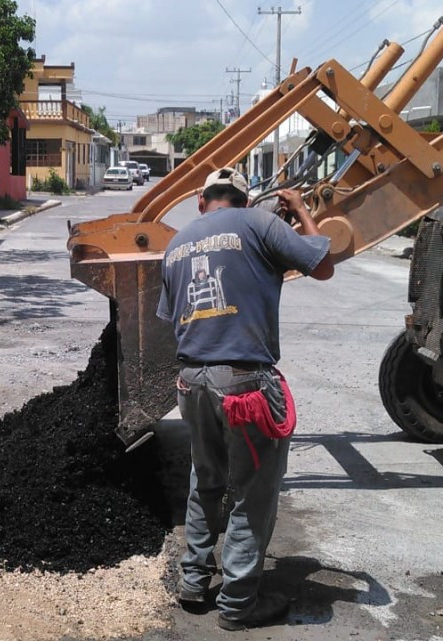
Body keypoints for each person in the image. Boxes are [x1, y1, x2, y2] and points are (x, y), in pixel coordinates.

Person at [157, 167, 333, 631]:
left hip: (190, 383)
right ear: (243, 198)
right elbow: (323, 264)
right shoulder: (258, 222)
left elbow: (169, 314)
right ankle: (237, 605)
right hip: (244, 386)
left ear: (201, 202)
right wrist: (300, 212)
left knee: (206, 481)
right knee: (253, 494)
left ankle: (194, 583)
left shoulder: (176, 244)